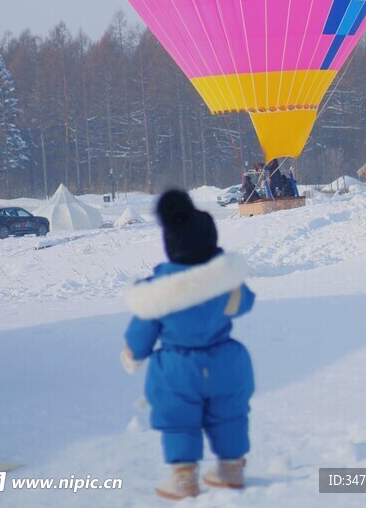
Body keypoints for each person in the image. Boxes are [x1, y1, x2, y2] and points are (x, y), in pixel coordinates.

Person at [121, 189, 255, 500]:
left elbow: (141, 331)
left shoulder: (158, 291)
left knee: (178, 420)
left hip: (176, 369)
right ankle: (231, 468)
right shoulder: (224, 283)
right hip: (226, 363)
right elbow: (244, 303)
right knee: (230, 415)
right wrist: (222, 270)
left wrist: (133, 353)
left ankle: (183, 478)